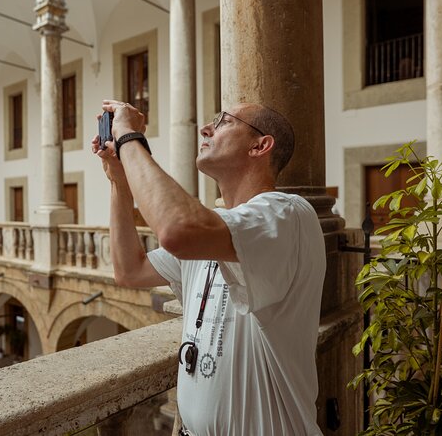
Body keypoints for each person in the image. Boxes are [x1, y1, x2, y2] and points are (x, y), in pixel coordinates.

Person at [91, 100, 326, 436]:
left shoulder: (287, 216)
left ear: (261, 145)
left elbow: (177, 230)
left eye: (223, 121)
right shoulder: (213, 233)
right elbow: (130, 270)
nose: (205, 128)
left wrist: (130, 137)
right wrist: (119, 181)